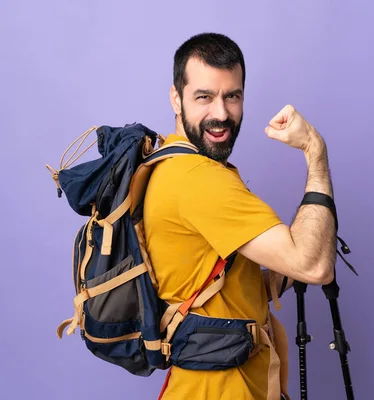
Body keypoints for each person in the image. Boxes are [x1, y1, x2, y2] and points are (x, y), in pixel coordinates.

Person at [143, 32, 338, 400]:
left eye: (231, 96)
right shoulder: (198, 180)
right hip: (218, 389)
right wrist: (315, 150)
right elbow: (314, 266)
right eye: (204, 97)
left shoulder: (172, 164)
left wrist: (286, 264)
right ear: (176, 97)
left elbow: (226, 286)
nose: (220, 114)